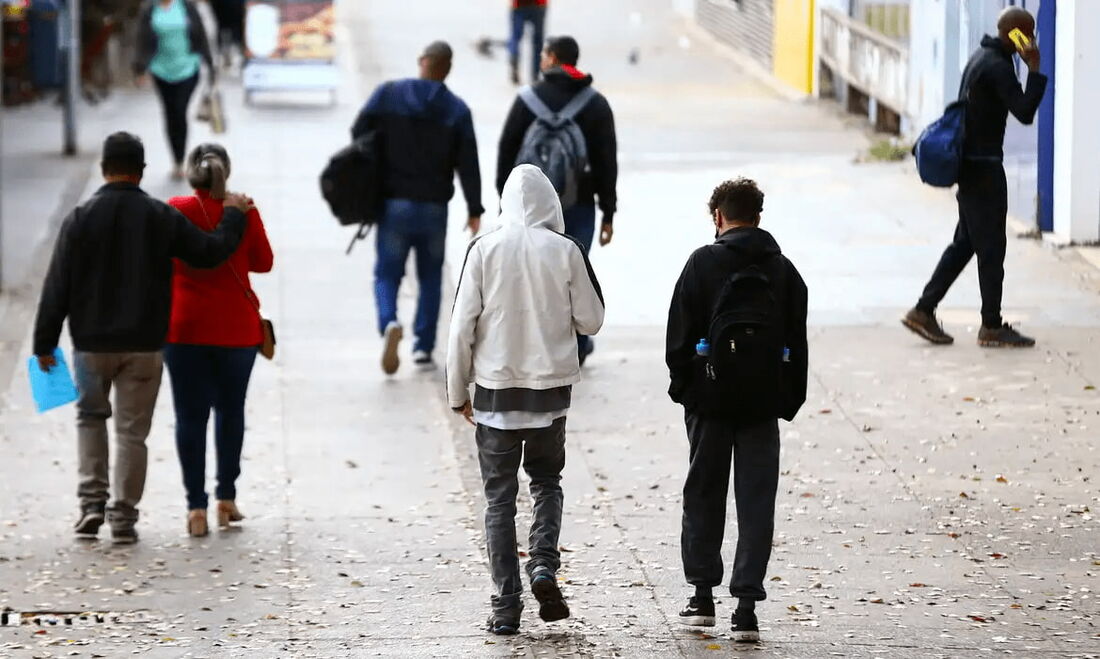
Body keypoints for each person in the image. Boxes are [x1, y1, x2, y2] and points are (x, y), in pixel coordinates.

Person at [33, 132, 252, 544]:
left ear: (103, 169)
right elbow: (208, 253)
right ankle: (123, 518)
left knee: (90, 420)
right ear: (142, 171)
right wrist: (234, 216)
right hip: (145, 345)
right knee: (132, 433)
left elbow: (56, 285)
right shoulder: (159, 216)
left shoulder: (80, 218)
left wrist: (44, 343)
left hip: (91, 346)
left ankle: (91, 505)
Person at [447, 165, 604, 636]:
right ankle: (543, 567)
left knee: (498, 501)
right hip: (549, 398)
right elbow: (592, 320)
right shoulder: (566, 250)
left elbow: (460, 328)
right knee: (546, 483)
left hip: (495, 396)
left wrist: (458, 392)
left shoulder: (483, 250)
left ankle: (505, 604)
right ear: (550, 204)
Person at [665, 178, 808, 643]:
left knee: (704, 493)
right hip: (762, 405)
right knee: (756, 500)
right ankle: (745, 607)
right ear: (759, 218)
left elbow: (677, 342)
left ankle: (701, 597)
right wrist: (785, 402)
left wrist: (688, 391)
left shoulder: (700, 264)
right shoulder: (785, 272)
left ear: (718, 218)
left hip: (710, 404)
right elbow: (798, 346)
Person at [903, 6, 1047, 348]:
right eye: (1029, 33)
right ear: (1016, 34)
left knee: (967, 243)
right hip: (983, 170)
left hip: (972, 167)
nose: (1032, 39)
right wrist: (1035, 70)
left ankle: (923, 309)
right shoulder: (998, 67)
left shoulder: (982, 56)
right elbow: (1025, 112)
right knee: (992, 247)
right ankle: (991, 326)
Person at [351, 41, 484, 375]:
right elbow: (468, 163)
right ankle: (423, 347)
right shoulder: (456, 110)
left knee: (386, 272)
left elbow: (358, 133)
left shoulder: (388, 95)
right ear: (447, 69)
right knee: (430, 277)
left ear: (422, 61)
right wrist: (474, 207)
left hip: (393, 204)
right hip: (434, 209)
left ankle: (390, 322)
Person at [165, 143, 273, 538]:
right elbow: (263, 262)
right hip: (236, 332)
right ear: (226, 171)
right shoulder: (244, 209)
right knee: (231, 411)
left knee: (189, 417)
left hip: (185, 329)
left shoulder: (176, 208)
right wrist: (244, 217)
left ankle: (196, 507)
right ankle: (226, 498)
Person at [497, 35, 617, 366]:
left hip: (528, 209)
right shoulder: (595, 104)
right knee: (574, 273)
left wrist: (502, 200)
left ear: (551, 58)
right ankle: (576, 346)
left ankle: (536, 345)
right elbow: (607, 161)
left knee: (531, 274)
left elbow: (506, 150)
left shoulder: (526, 100)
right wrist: (608, 211)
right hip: (578, 205)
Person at [134, 0, 216, 180]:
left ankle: (180, 158)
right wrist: (140, 68)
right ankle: (176, 160)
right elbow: (142, 39)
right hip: (161, 70)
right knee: (170, 113)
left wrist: (210, 66)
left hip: (188, 67)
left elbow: (201, 36)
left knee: (179, 110)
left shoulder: (187, 7)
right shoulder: (150, 10)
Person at [508, 0, 547, 85]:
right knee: (537, 41)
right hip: (539, 5)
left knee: (515, 36)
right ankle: (535, 74)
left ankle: (514, 55)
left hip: (519, 5)